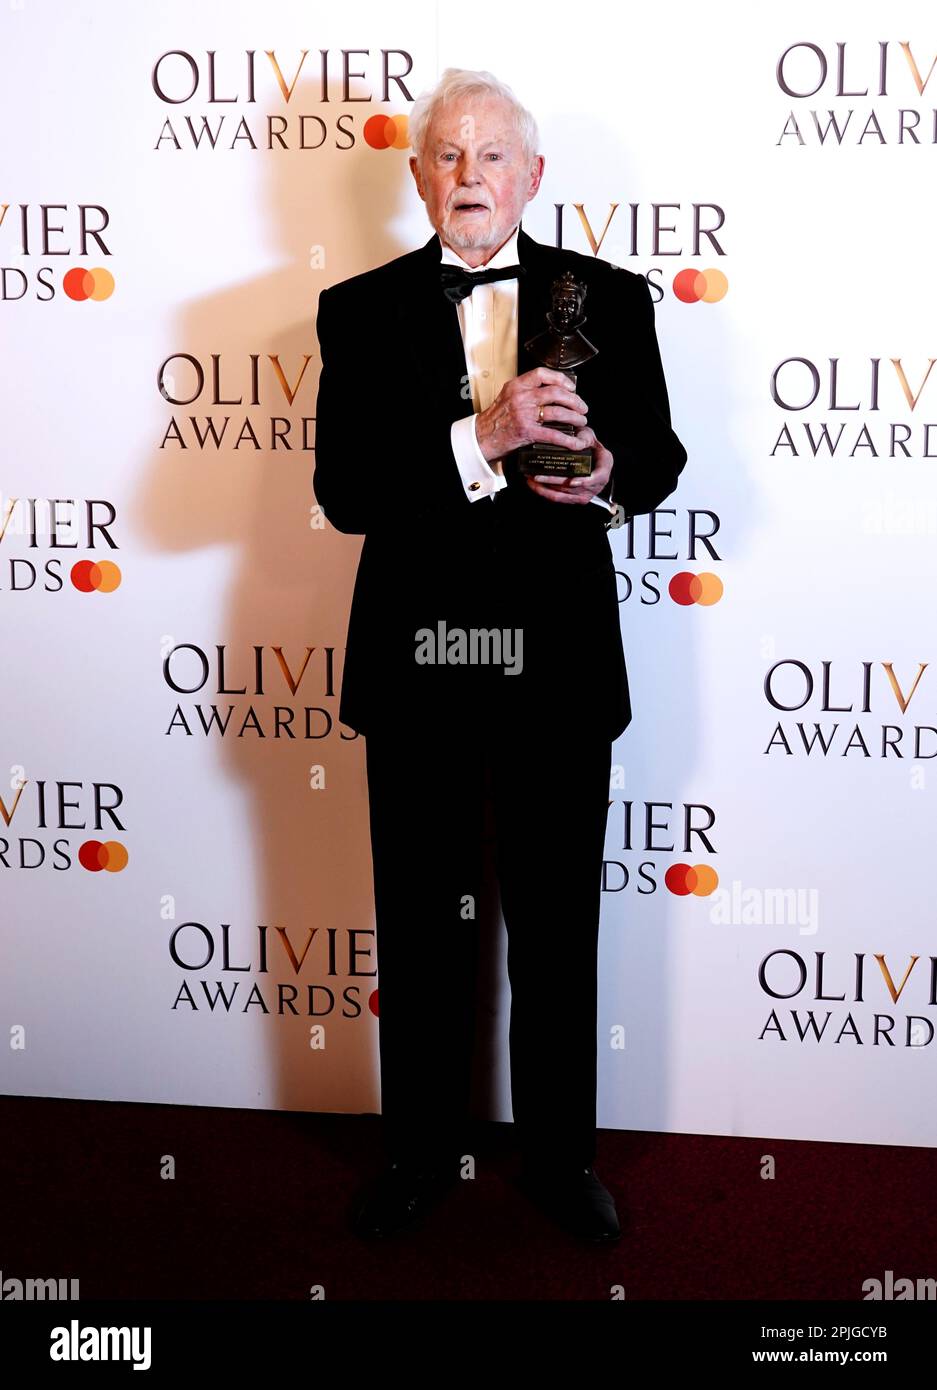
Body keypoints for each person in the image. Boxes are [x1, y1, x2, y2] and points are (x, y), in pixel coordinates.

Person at [313, 67, 688, 1243]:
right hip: (419, 664)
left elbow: (663, 456)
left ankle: (561, 1161)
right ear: (416, 175)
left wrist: (611, 474)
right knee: (421, 925)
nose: (468, 176)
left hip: (557, 668)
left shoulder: (608, 299)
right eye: (446, 155)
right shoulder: (359, 310)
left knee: (556, 924)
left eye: (491, 156)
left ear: (530, 177)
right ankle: (418, 1155)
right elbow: (346, 491)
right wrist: (482, 438)